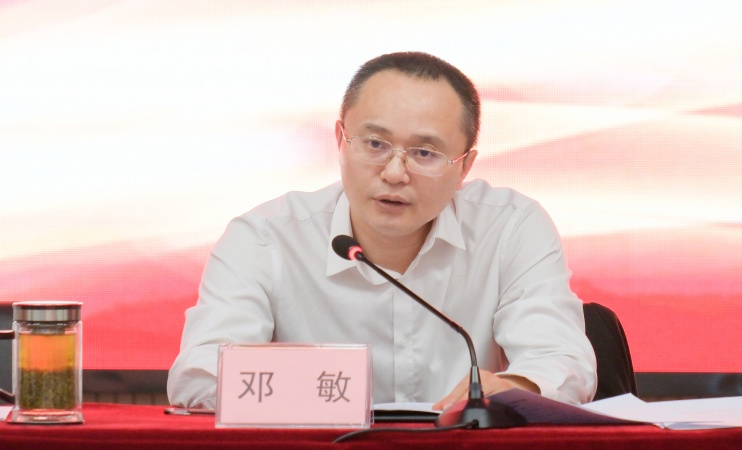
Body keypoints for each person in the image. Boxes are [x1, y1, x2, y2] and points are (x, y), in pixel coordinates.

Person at [167, 51, 597, 409]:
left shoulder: (511, 229)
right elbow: (198, 375)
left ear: (464, 166)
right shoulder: (264, 239)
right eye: (375, 144)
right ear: (341, 140)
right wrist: (327, 394)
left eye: (424, 153)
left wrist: (515, 389)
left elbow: (563, 362)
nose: (394, 173)